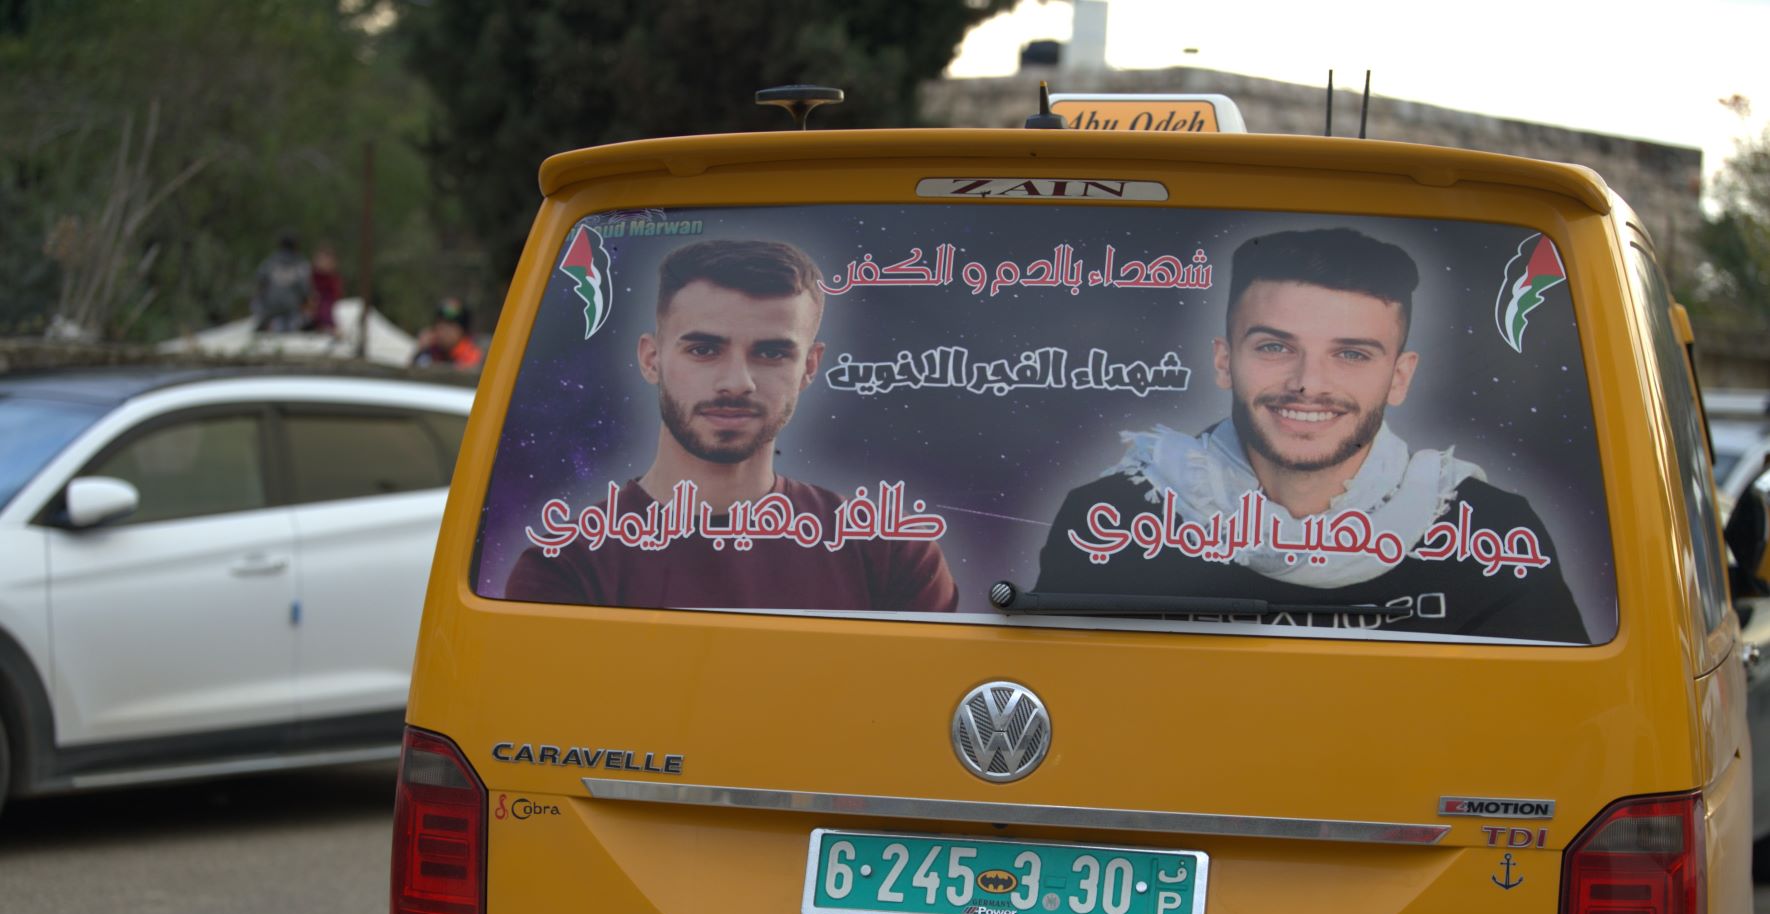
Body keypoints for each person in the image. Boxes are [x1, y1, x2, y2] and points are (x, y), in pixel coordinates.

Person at [1036, 226, 1588, 642]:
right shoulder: (1111, 518)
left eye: (1351, 354)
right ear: (1225, 361)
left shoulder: (1490, 531)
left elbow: (1555, 725)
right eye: (1275, 347)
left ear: (1399, 377)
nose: (1308, 384)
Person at [505, 238, 959, 612]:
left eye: (772, 352)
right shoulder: (565, 566)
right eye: (704, 350)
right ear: (651, 358)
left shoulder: (891, 555)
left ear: (810, 365)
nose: (736, 382)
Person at [251, 231, 313, 333]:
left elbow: (259, 282)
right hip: (291, 311)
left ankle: (266, 323)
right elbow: (305, 290)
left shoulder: (269, 262)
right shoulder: (301, 264)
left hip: (269, 311)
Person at [411, 298, 483, 369]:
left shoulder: (472, 356)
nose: (443, 329)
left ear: (462, 330)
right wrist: (421, 350)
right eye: (440, 323)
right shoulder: (429, 352)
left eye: (450, 324)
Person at [307, 244, 342, 333]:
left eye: (325, 260)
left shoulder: (333, 280)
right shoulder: (310, 277)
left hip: (325, 316)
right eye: (320, 260)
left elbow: (332, 301)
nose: (322, 263)